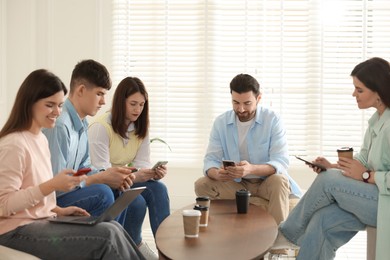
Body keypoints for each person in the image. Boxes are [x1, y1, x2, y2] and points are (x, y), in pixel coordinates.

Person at [0, 69, 144, 259]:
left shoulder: (40, 139)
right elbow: (3, 205)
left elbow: (33, 194)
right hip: (13, 231)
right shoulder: (14, 144)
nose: (57, 112)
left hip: (41, 220)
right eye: (50, 105)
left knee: (112, 226)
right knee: (107, 236)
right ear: (29, 103)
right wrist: (51, 186)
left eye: (60, 105)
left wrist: (59, 210)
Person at [272, 57, 390, 260]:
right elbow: (363, 160)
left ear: (378, 91)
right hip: (372, 197)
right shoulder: (376, 121)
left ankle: (286, 235)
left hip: (383, 203)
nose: (354, 94)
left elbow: (365, 171)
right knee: (322, 220)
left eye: (359, 90)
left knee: (327, 181)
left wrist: (364, 175)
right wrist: (333, 166)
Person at [42, 60, 155, 259]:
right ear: (82, 90)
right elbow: (55, 186)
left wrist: (109, 174)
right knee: (103, 192)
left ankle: (116, 252)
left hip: (71, 190)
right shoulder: (61, 126)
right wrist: (99, 179)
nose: (103, 102)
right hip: (54, 199)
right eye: (100, 94)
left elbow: (85, 167)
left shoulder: (82, 123)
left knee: (122, 192)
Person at [194, 73, 302, 225]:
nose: (241, 109)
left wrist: (251, 169)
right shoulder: (221, 122)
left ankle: (278, 246)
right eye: (236, 102)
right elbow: (211, 160)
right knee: (202, 184)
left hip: (267, 183)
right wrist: (217, 173)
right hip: (237, 184)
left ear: (258, 98)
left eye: (247, 103)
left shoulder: (272, 120)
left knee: (280, 180)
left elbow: (280, 162)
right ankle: (229, 229)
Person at [88, 77, 170, 257]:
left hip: (127, 179)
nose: (138, 110)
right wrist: (138, 176)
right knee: (137, 202)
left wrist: (152, 173)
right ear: (120, 102)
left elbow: (141, 164)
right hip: (107, 183)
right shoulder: (100, 127)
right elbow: (102, 174)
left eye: (141, 105)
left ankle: (166, 252)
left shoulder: (140, 128)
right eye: (133, 104)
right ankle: (135, 245)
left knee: (159, 189)